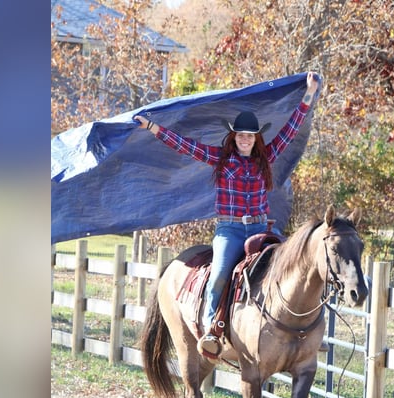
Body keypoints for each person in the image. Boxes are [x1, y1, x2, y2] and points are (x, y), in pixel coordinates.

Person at [134, 72, 320, 359]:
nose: (245, 140)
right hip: (230, 231)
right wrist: (153, 127)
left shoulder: (266, 157)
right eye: (241, 136)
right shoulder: (221, 159)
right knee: (220, 273)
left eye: (250, 136)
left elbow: (292, 128)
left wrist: (309, 92)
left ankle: (295, 331)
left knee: (290, 268)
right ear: (234, 137)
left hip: (261, 229)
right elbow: (186, 146)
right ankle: (210, 328)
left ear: (255, 139)